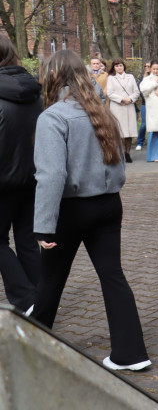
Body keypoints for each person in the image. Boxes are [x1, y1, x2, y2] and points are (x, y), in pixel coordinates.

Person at [31, 50, 150, 371]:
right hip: (109, 205)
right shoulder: (102, 113)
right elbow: (119, 168)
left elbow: (51, 175)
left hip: (72, 209)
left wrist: (43, 225)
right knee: (113, 277)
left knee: (51, 281)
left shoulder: (52, 117)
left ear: (52, 77)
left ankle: (31, 348)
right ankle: (132, 353)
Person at [0, 35, 43, 313]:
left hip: (3, 180)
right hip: (31, 177)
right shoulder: (34, 90)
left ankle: (26, 299)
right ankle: (41, 298)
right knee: (27, 238)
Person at [106, 58, 140, 163]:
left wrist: (130, 99)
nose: (119, 67)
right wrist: (121, 99)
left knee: (129, 131)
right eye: (116, 66)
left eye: (120, 65)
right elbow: (110, 93)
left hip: (129, 106)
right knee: (119, 131)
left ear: (123, 66)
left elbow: (136, 91)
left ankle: (127, 153)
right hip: (117, 107)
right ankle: (119, 153)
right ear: (114, 68)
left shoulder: (130, 77)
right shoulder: (111, 78)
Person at [136, 62, 151, 150]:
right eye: (145, 66)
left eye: (149, 66)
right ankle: (140, 142)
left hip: (154, 104)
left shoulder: (155, 77)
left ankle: (151, 142)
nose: (147, 68)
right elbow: (140, 90)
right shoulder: (142, 78)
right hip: (145, 104)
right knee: (144, 124)